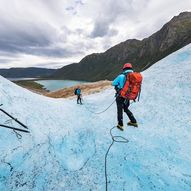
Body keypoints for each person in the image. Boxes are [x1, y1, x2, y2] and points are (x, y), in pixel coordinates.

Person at [112, 63, 138, 131]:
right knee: (126, 108)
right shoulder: (134, 77)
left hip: (120, 96)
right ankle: (133, 121)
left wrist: (119, 86)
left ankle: (120, 125)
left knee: (119, 110)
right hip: (128, 96)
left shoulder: (121, 76)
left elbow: (113, 83)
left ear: (124, 69)